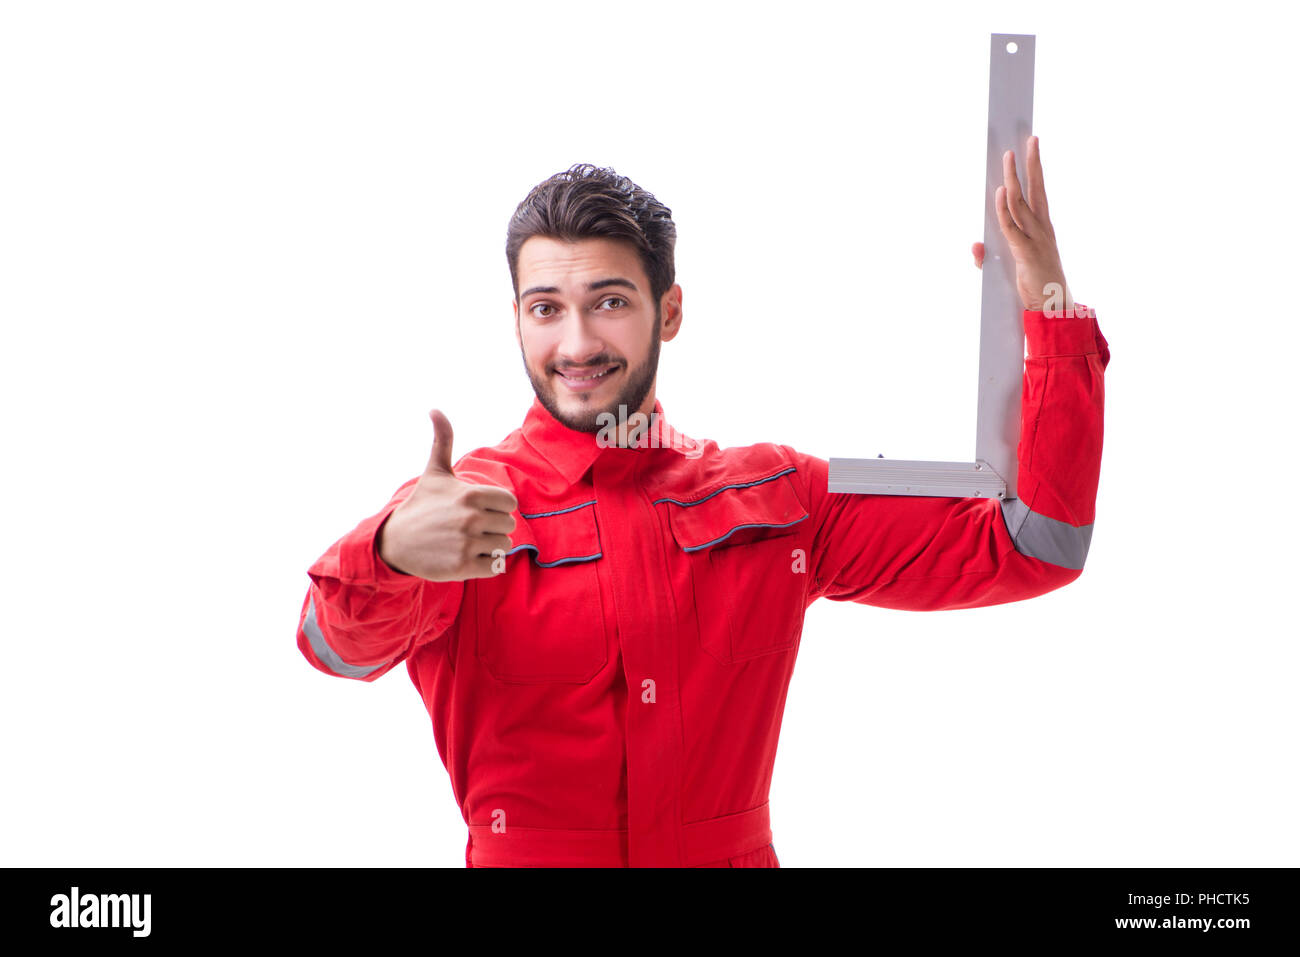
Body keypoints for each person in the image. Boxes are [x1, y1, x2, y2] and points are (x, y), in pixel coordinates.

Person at [296, 140, 1109, 867]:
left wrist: (1048, 311)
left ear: (670, 311)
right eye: (546, 309)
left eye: (610, 301)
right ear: (516, 320)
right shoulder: (466, 511)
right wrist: (390, 551)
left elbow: (1036, 544)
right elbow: (335, 648)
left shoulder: (776, 499)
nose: (576, 344)